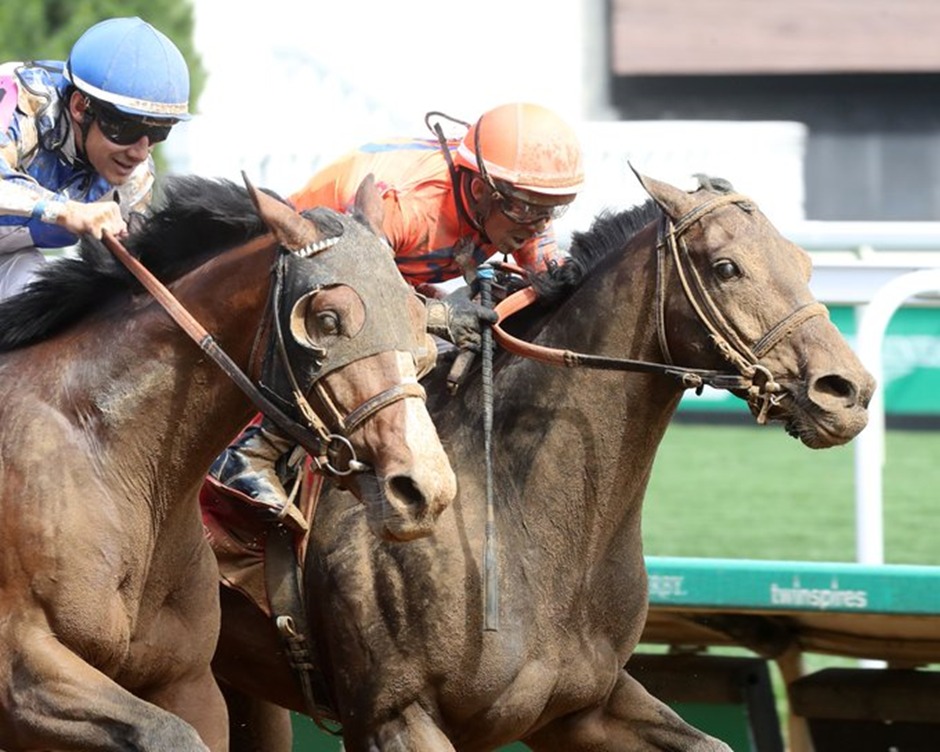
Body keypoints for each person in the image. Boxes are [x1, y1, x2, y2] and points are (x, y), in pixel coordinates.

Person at [209, 102, 585, 523]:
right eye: (527, 209)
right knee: (373, 346)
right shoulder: (410, 208)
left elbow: (557, 281)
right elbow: (364, 297)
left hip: (385, 273)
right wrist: (441, 316)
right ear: (481, 191)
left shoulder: (515, 202)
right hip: (313, 274)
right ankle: (252, 451)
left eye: (551, 209)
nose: (538, 226)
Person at [0, 16, 190, 301]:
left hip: (11, 258)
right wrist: (67, 210)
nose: (140, 152)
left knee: (47, 305)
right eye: (128, 129)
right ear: (80, 106)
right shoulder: (18, 97)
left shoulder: (134, 181)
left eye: (159, 133)